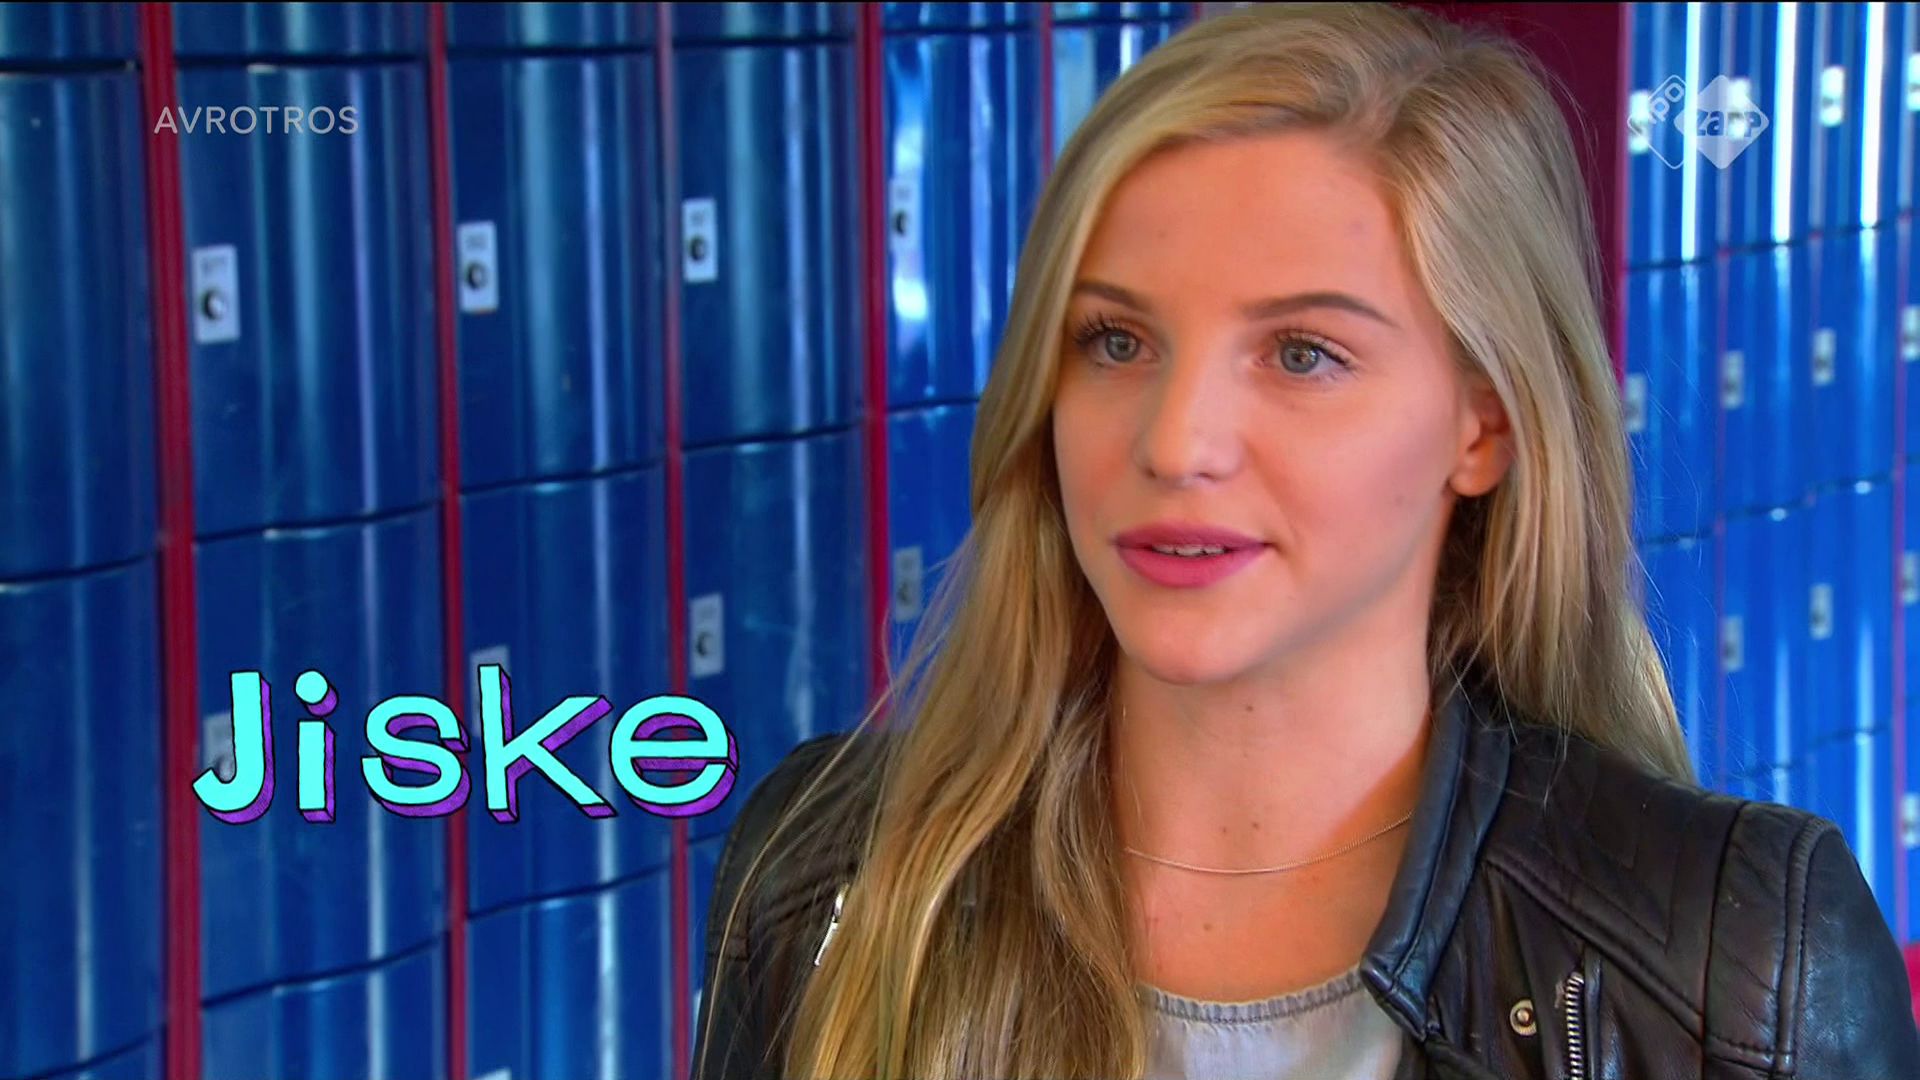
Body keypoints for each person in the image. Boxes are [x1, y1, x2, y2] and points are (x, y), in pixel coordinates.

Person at [691, 4, 1920, 1077]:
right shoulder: (827, 881)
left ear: (1483, 425)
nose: (1177, 444)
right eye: (1116, 341)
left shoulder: (1734, 968)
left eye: (1302, 354)